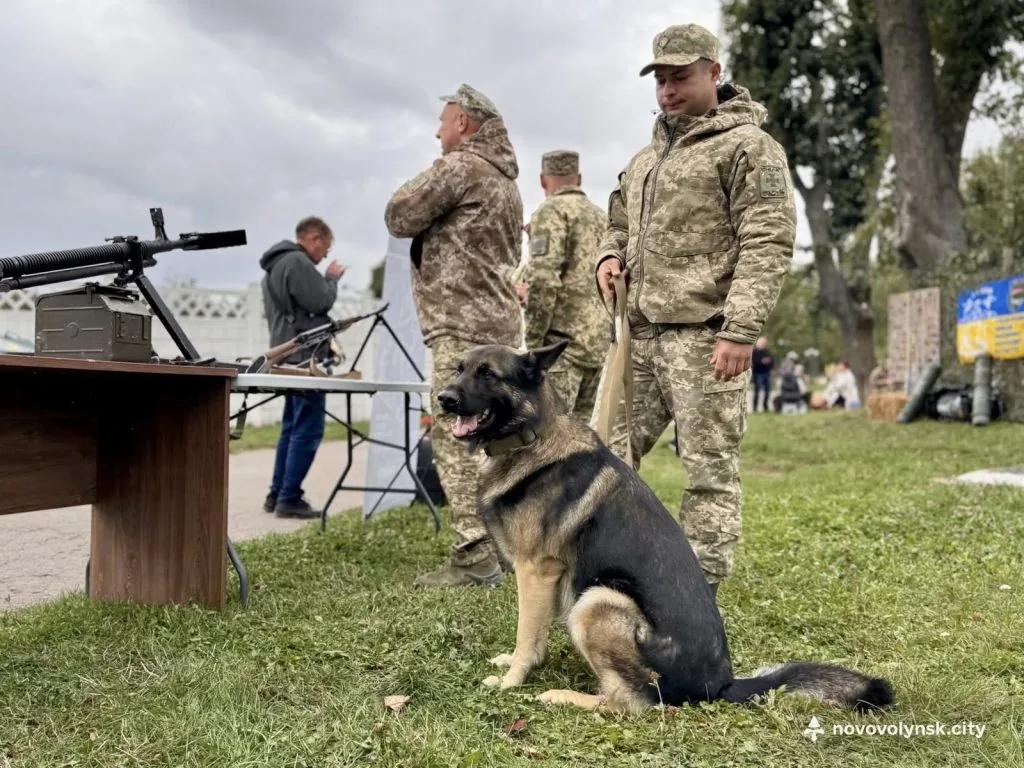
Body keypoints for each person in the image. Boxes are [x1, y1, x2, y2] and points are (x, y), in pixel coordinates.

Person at [594, 23, 796, 597]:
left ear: (714, 70)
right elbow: (616, 225)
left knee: (708, 470)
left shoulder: (748, 148)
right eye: (660, 79)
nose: (668, 90)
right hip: (638, 339)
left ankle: (696, 595)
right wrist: (608, 258)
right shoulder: (643, 161)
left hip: (705, 341)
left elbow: (767, 240)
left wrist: (740, 330)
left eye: (680, 76)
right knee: (605, 456)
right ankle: (613, 570)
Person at [384, 83, 523, 588]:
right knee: (497, 439)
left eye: (443, 121)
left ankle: (473, 556)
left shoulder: (460, 166)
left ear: (464, 122)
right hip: (501, 329)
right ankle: (508, 547)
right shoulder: (507, 181)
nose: (437, 131)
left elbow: (399, 213)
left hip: (461, 328)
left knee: (455, 431)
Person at [259, 216, 346, 519]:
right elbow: (320, 301)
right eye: (326, 247)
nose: (325, 257)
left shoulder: (274, 266)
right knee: (308, 429)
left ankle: (277, 493)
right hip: (304, 360)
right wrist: (332, 279)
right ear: (314, 237)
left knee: (291, 428)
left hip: (284, 357)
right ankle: (289, 497)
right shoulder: (297, 262)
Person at [521, 150, 609, 423]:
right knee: (581, 440)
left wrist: (533, 347)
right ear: (578, 178)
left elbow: (544, 281)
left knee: (546, 437)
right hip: (598, 346)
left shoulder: (551, 211)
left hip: (560, 350)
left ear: (542, 180)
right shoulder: (600, 216)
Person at [750, 336, 774, 412]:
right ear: (757, 343)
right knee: (757, 391)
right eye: (761, 343)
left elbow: (772, 361)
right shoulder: (754, 352)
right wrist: (762, 361)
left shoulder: (767, 352)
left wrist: (769, 364)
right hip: (758, 374)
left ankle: (765, 406)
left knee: (767, 391)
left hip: (767, 373)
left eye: (764, 343)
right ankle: (755, 407)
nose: (762, 344)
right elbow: (752, 362)